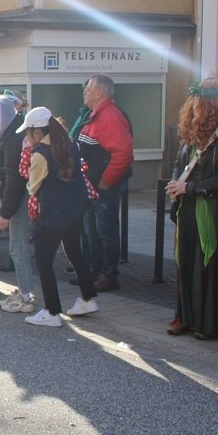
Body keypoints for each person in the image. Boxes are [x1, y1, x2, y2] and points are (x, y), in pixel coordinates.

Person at [165, 81, 218, 339]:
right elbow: (179, 164)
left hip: (216, 207)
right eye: (194, 102)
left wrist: (189, 188)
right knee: (185, 261)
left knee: (211, 263)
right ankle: (184, 316)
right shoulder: (190, 131)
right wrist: (175, 185)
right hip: (188, 207)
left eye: (200, 102)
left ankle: (208, 321)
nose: (194, 106)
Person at [18, 107, 98, 327]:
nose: (26, 136)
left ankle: (52, 312)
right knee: (74, 251)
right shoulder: (70, 144)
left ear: (36, 131)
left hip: (53, 214)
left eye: (28, 132)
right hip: (75, 207)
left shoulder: (40, 154)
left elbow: (33, 187)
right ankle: (88, 299)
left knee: (43, 261)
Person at [75, 75, 134, 292]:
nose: (84, 91)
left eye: (88, 88)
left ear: (100, 92)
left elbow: (123, 153)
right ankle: (94, 271)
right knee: (92, 228)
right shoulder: (95, 114)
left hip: (102, 185)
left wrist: (106, 181)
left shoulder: (109, 116)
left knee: (105, 230)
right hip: (92, 184)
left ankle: (109, 275)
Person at [0, 95, 35, 313]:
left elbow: (15, 180)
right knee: (17, 247)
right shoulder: (15, 133)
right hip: (21, 197)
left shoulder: (13, 138)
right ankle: (24, 292)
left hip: (19, 199)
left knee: (17, 248)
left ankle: (25, 296)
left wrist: (5, 213)